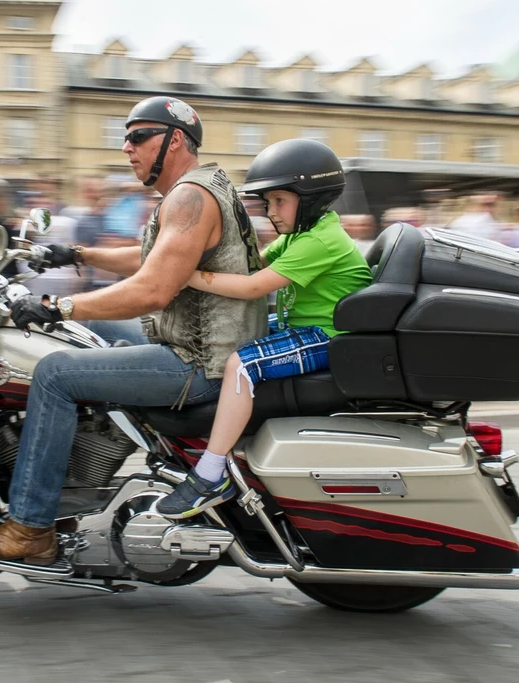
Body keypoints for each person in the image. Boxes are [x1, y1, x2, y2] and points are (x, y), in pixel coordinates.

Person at [0, 96, 267, 564]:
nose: (126, 147)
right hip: (202, 341)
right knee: (91, 329)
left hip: (198, 359)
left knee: (55, 373)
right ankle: (71, 485)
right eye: (125, 137)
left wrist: (57, 306)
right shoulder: (203, 185)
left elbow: (154, 288)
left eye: (138, 136)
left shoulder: (189, 197)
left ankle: (30, 528)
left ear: (175, 140)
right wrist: (76, 254)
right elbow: (159, 259)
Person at [155, 139, 373, 518]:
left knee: (242, 362)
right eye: (268, 203)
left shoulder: (321, 240)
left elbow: (254, 286)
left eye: (279, 201)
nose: (271, 212)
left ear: (311, 198)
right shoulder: (300, 235)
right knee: (241, 333)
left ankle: (211, 473)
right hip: (303, 326)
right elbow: (249, 266)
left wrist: (186, 275)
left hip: (329, 336)